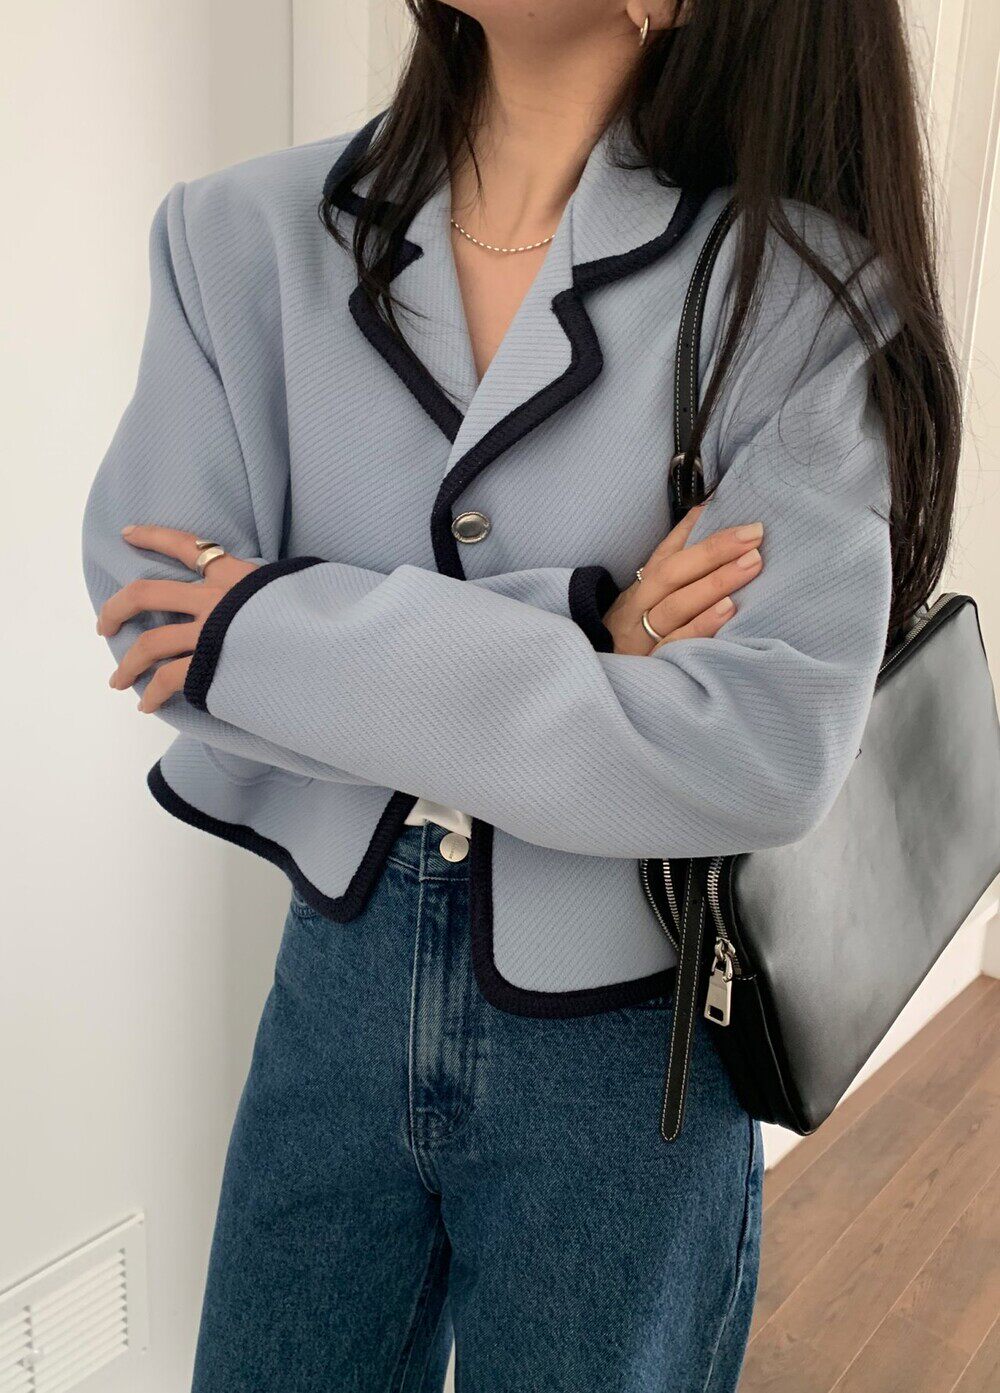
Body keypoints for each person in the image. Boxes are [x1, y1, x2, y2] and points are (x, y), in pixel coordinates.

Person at [82, 1, 959, 1388]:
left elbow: (764, 748)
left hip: (629, 1048)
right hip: (335, 989)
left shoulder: (796, 304)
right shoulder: (237, 236)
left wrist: (279, 631)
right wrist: (587, 636)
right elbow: (157, 620)